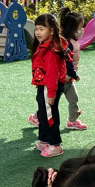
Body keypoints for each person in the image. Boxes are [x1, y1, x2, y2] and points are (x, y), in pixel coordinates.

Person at [29, 10, 85, 132]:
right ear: (73, 29)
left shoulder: (70, 42)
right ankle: (37, 117)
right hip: (62, 79)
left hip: (68, 79)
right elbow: (67, 63)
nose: (82, 30)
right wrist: (74, 74)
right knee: (50, 102)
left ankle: (72, 120)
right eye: (80, 28)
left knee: (73, 99)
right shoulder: (65, 44)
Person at [30, 13, 68, 158]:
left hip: (50, 87)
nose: (38, 32)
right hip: (44, 85)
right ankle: (44, 140)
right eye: (36, 29)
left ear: (51, 30)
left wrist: (51, 93)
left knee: (49, 115)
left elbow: (52, 74)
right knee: (43, 113)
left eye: (42, 29)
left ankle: (55, 144)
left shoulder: (51, 50)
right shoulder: (43, 45)